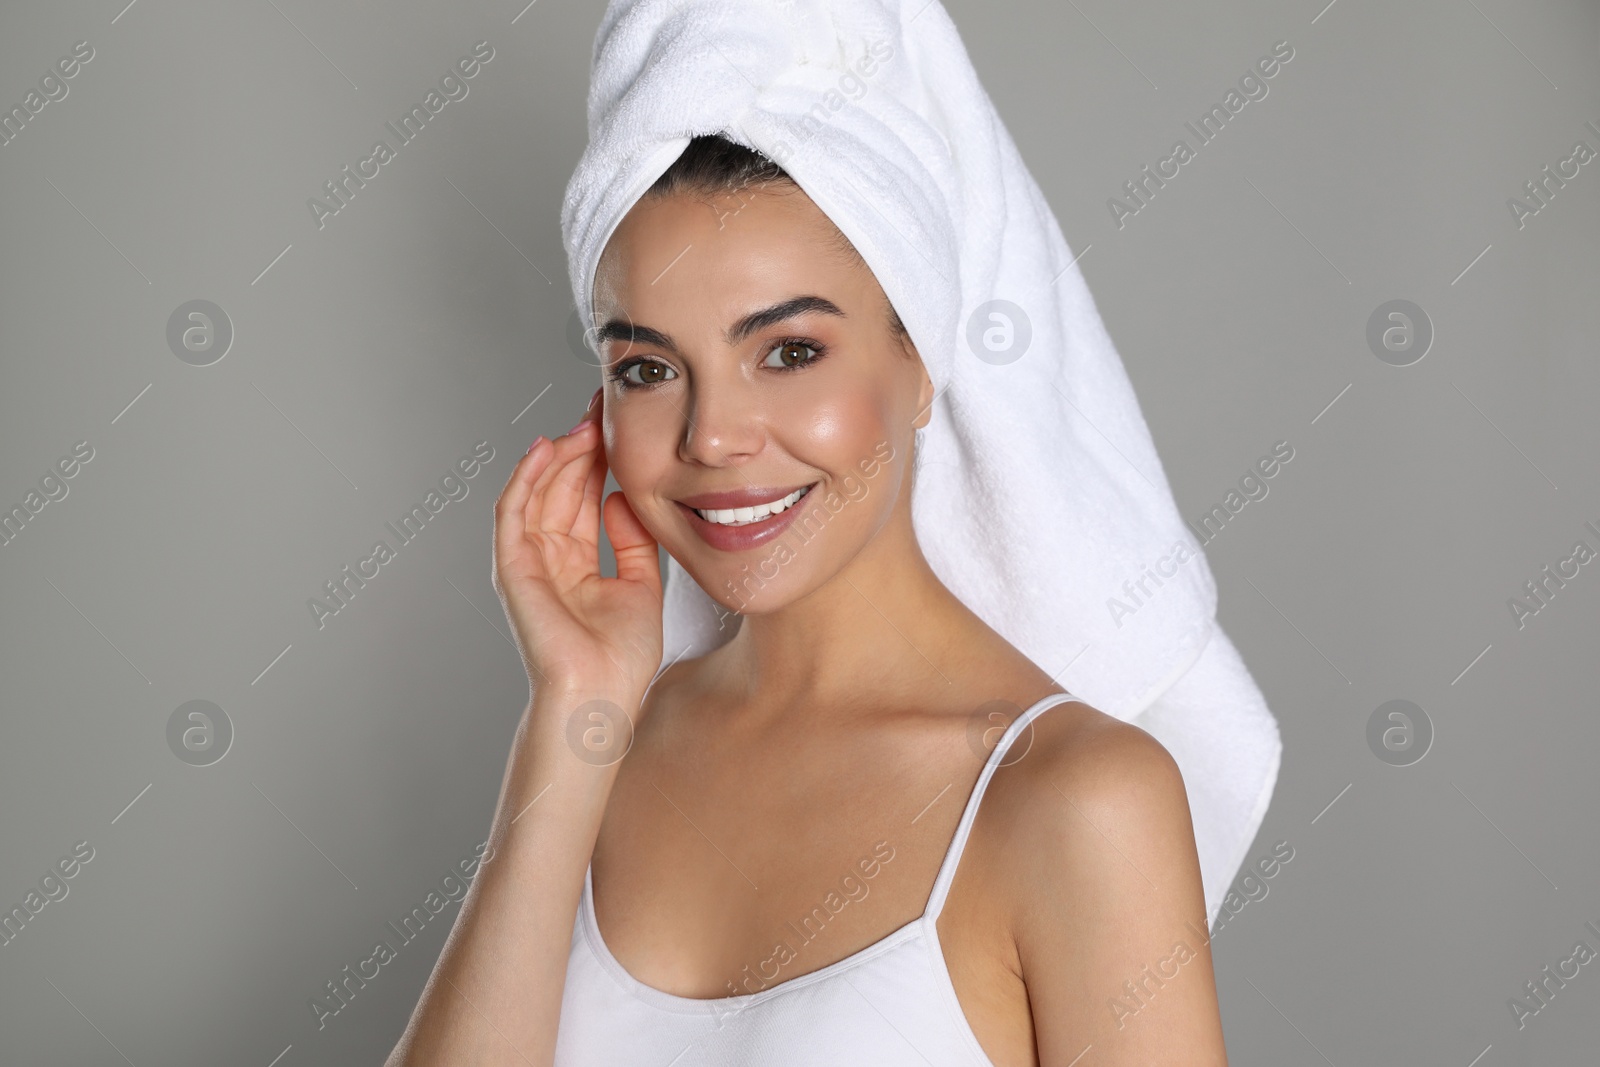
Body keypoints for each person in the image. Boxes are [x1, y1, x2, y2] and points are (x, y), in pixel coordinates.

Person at [383, 133, 1229, 1065]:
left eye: (789, 350)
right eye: (648, 369)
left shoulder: (1077, 798)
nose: (712, 437)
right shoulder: (605, 741)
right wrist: (574, 709)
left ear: (920, 364)